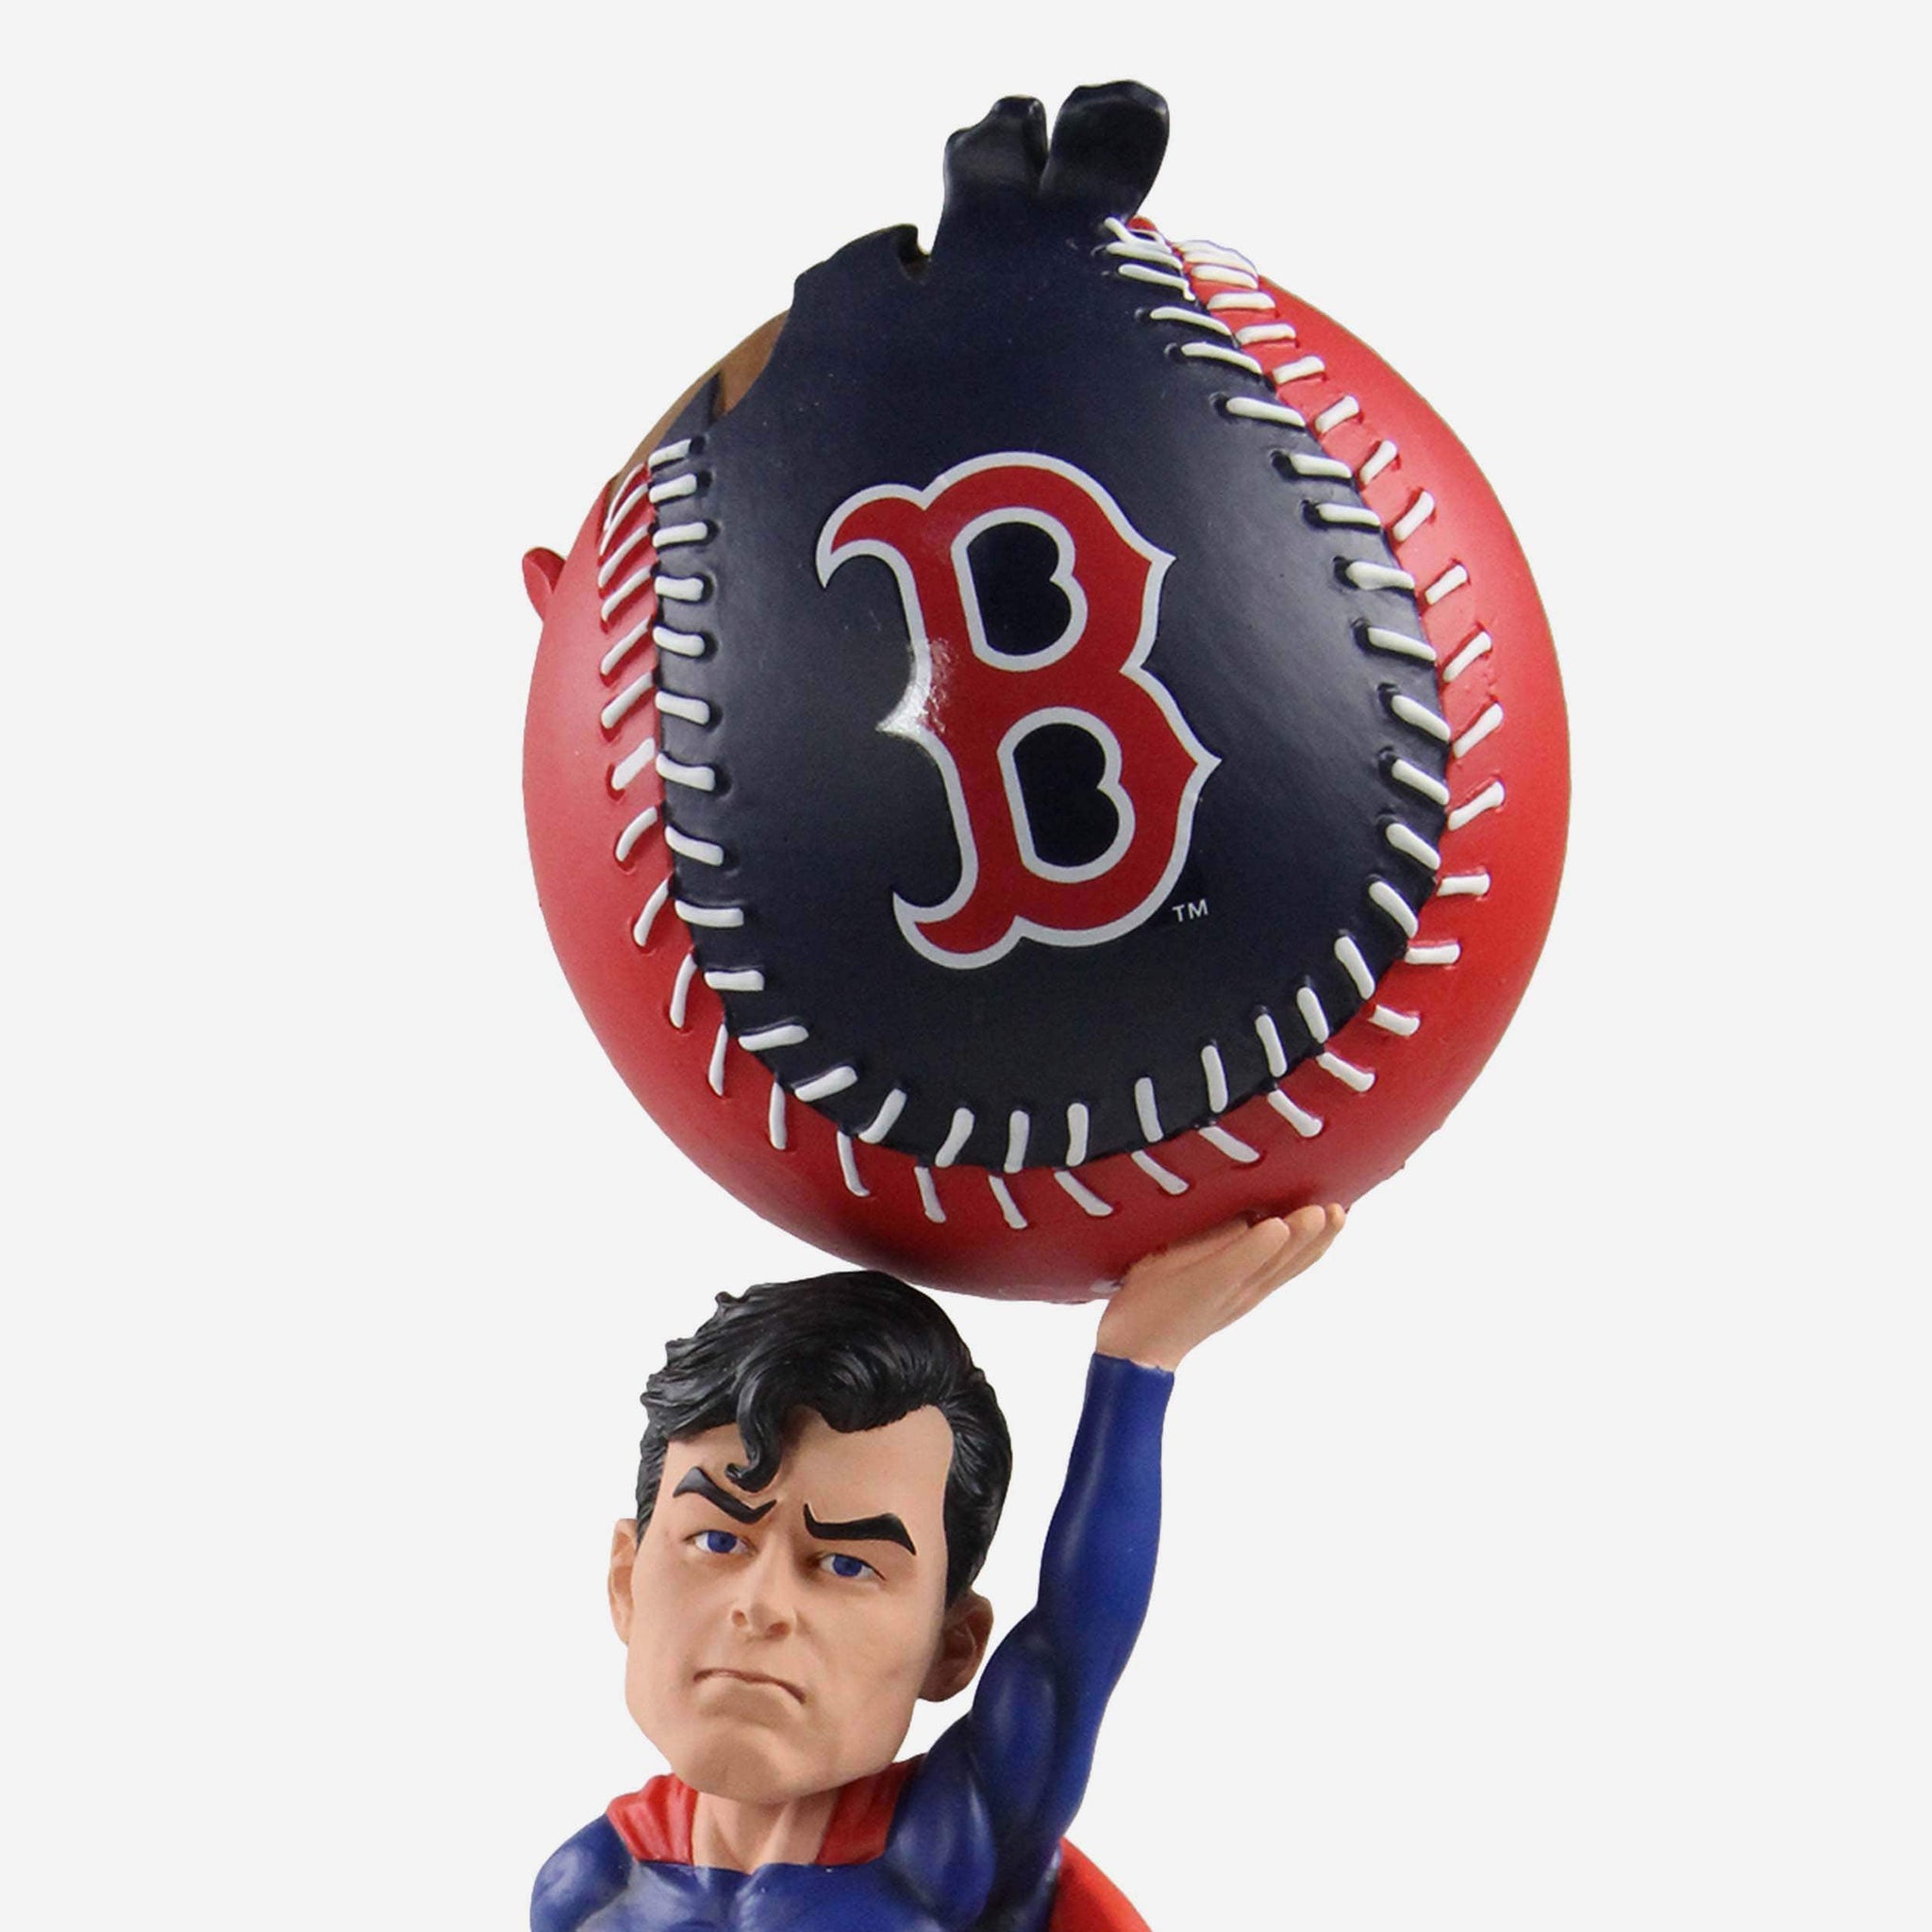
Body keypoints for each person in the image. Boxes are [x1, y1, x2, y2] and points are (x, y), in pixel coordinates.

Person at [532, 1206, 1345, 1931]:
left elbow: (1071, 1652)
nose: (763, 1603)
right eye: (718, 1541)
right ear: (626, 1582)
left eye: (845, 1563)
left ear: (953, 1646)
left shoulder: (944, 1855)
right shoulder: (586, 1889)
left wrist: (1137, 1365)